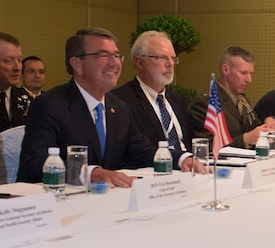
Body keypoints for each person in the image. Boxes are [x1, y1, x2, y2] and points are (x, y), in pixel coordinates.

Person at [18, 27, 201, 188]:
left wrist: (181, 158)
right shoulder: (50, 105)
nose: (114, 63)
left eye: (116, 55)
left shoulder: (118, 107)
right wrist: (92, 173)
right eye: (104, 55)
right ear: (77, 64)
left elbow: (140, 150)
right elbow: (34, 163)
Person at [111, 31, 195, 152]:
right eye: (162, 58)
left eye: (172, 58)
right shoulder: (120, 101)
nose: (170, 64)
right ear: (140, 62)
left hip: (187, 167)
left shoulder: (177, 101)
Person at [188, 46, 275, 148]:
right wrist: (244, 140)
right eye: (243, 73)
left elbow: (254, 129)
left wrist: (268, 124)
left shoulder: (243, 101)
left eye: (250, 73)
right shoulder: (206, 104)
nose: (249, 79)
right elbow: (206, 146)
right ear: (226, 70)